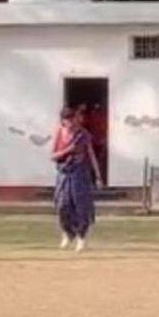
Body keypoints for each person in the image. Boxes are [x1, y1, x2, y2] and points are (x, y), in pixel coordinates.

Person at [51, 107, 104, 252]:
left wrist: (98, 176)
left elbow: (91, 155)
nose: (73, 122)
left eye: (74, 118)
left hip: (79, 173)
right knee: (63, 204)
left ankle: (82, 237)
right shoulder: (59, 133)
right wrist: (68, 150)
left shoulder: (83, 134)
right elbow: (53, 156)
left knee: (81, 205)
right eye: (69, 120)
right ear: (63, 121)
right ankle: (68, 233)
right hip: (64, 172)